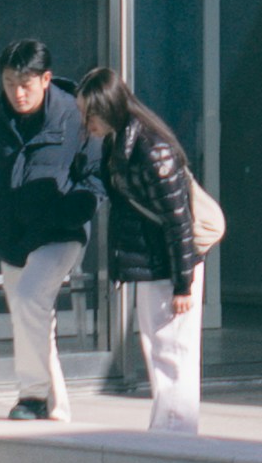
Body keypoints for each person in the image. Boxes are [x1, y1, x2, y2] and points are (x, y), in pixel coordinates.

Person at [0, 39, 100, 422]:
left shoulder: (75, 116)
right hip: (10, 237)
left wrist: (77, 210)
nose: (18, 93)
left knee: (29, 299)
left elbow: (96, 175)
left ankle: (33, 396)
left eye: (26, 84)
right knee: (27, 313)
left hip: (60, 233)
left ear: (46, 79)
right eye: (9, 83)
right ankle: (52, 404)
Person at [78, 66, 212, 434]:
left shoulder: (152, 149)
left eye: (90, 113)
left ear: (108, 108)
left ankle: (175, 433)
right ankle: (167, 429)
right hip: (155, 265)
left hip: (170, 266)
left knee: (173, 354)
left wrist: (183, 284)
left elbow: (178, 220)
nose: (85, 121)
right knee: (159, 350)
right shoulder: (119, 143)